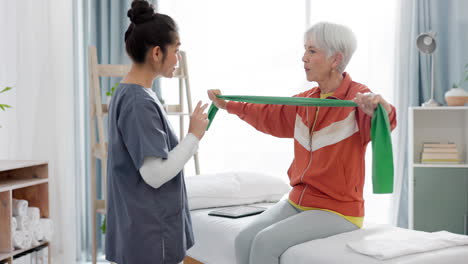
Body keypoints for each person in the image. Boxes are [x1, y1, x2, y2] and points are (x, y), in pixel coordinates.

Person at [207, 21, 397, 264]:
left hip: (337, 209)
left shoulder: (357, 99)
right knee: (244, 238)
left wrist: (380, 108)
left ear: (335, 59)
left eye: (312, 51)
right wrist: (227, 105)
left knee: (265, 243)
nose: (303, 58)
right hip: (298, 200)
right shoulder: (305, 101)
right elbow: (267, 113)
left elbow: (386, 121)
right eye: (305, 50)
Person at [105, 1, 209, 263]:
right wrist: (194, 136)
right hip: (150, 236)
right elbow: (154, 174)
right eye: (176, 49)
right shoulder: (139, 102)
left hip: (141, 232)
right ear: (156, 53)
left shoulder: (129, 94)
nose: (179, 58)